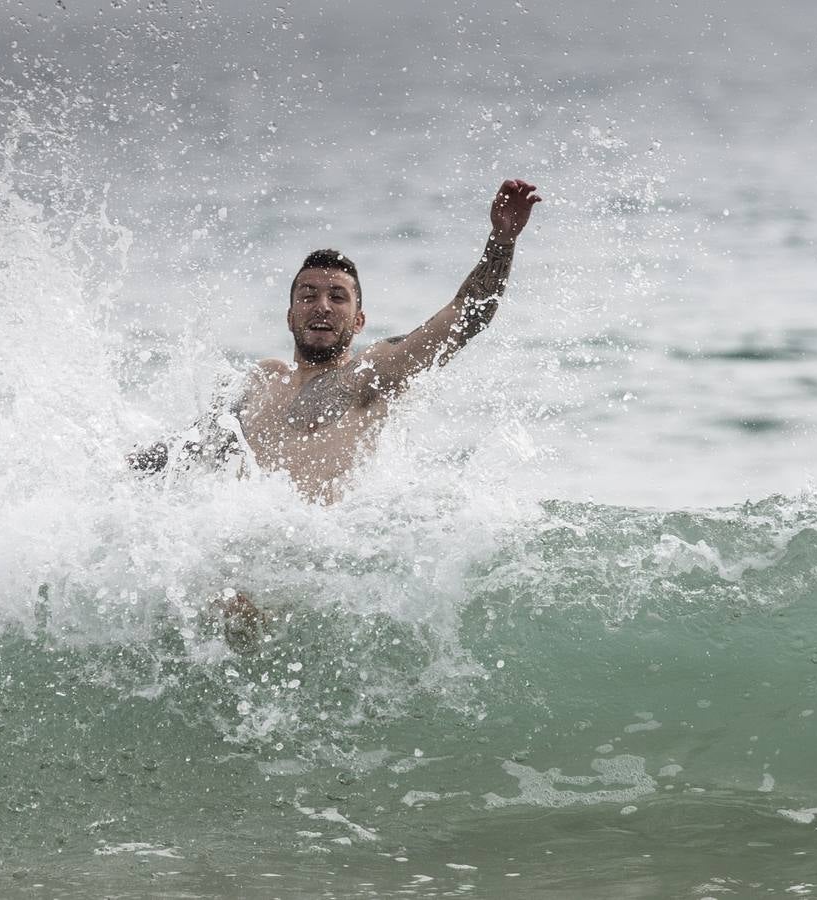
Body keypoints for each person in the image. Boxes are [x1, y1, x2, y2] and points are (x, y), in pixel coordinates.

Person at [128, 178, 541, 647]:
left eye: (338, 297)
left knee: (230, 604)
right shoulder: (260, 380)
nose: (322, 306)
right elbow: (190, 450)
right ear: (289, 315)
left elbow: (469, 316)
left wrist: (501, 241)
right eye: (308, 296)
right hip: (249, 551)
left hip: (319, 563)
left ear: (359, 320)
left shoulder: (371, 374)